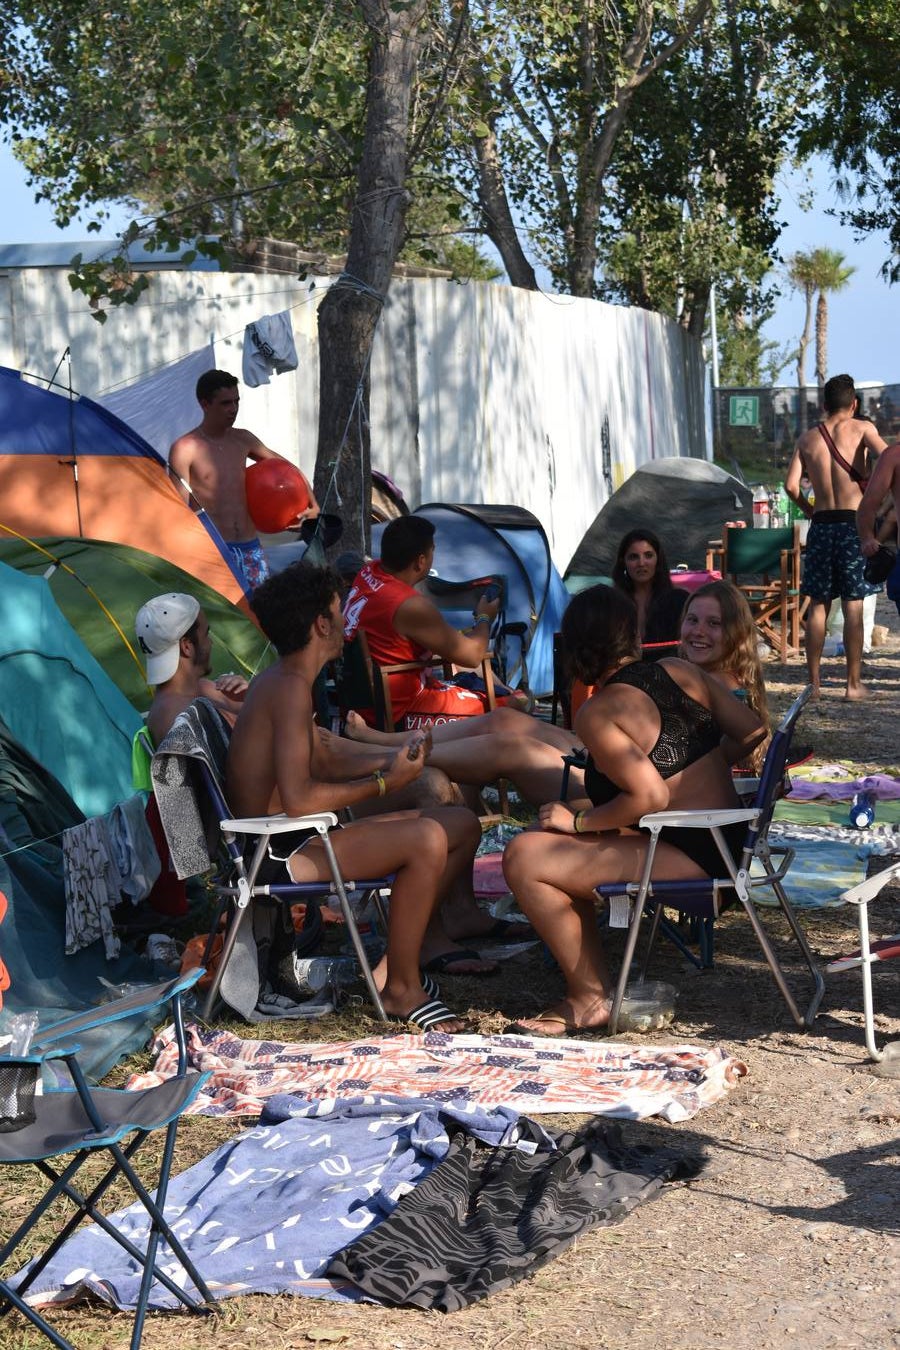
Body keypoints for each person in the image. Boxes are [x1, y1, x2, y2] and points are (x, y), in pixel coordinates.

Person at [226, 559, 486, 1031]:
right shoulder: (287, 689)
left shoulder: (286, 680)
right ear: (321, 623)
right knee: (425, 839)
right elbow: (302, 798)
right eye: (339, 610)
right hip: (280, 850)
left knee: (462, 825)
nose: (348, 620)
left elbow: (321, 756)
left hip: (293, 836)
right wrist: (389, 783)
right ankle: (401, 989)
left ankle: (397, 961)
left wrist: (390, 758)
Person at [501, 584, 765, 1037]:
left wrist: (578, 821)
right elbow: (753, 728)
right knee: (548, 843)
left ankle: (589, 998)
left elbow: (650, 798)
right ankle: (592, 980)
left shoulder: (600, 711)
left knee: (524, 856)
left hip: (698, 858)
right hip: (728, 843)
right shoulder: (679, 670)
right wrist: (702, 768)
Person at [343, 515, 526, 728]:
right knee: (515, 705)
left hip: (366, 703)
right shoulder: (407, 604)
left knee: (471, 673)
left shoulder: (367, 572)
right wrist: (485, 616)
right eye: (432, 551)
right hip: (397, 712)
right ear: (421, 561)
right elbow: (473, 656)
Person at [169, 369, 319, 592]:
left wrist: (313, 504)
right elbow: (177, 509)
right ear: (205, 404)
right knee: (224, 622)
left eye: (236, 401)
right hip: (214, 551)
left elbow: (289, 469)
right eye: (225, 403)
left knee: (260, 617)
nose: (233, 409)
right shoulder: (185, 448)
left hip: (251, 548)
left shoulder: (243, 439)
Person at [785, 373, 886, 699]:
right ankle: (852, 684)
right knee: (854, 605)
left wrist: (809, 509)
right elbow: (889, 458)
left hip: (822, 525)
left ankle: (813, 685)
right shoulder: (863, 428)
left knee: (818, 605)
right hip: (853, 525)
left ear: (825, 404)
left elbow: (790, 486)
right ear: (854, 403)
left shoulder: (807, 439)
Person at [678, 581, 770, 775]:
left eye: (714, 623)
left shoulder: (715, 682)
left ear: (737, 632)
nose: (698, 631)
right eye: (692, 620)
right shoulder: (738, 675)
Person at [135, 593, 248, 745]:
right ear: (187, 646)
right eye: (206, 634)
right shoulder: (180, 718)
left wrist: (248, 697)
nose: (211, 642)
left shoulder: (196, 690)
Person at [611, 528, 686, 651]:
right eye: (633, 557)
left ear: (658, 560)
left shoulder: (679, 600)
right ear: (623, 562)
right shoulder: (611, 604)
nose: (641, 563)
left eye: (648, 555)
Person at [857, 441, 900, 617]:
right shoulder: (893, 456)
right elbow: (867, 506)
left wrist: (867, 537)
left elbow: (867, 506)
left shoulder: (894, 455)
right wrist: (867, 537)